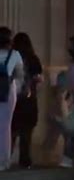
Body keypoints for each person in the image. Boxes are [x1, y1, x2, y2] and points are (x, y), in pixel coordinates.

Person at [11, 33, 43, 168]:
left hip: (13, 100)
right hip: (29, 101)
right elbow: (38, 80)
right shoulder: (33, 59)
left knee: (10, 132)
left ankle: (5, 159)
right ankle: (25, 161)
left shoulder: (12, 58)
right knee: (26, 134)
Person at [0, 27, 23, 171]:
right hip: (8, 90)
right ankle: (3, 161)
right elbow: (20, 75)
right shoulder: (15, 54)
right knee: (5, 126)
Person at [42, 71, 74, 167]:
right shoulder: (64, 93)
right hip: (59, 118)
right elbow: (63, 106)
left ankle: (45, 158)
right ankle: (66, 160)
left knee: (51, 138)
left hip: (54, 117)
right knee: (69, 137)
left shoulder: (59, 91)